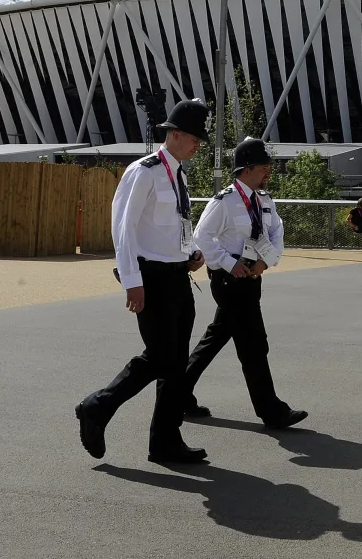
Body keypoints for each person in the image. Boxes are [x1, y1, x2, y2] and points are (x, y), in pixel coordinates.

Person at [75, 99, 210, 464]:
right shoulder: (144, 171)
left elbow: (179, 223)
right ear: (175, 134)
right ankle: (97, 406)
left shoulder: (177, 173)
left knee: (175, 362)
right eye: (195, 138)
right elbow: (124, 229)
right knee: (162, 357)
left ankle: (165, 441)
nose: (199, 144)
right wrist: (131, 281)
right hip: (150, 278)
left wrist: (192, 251)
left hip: (177, 277)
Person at [182, 137, 308, 430]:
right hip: (229, 281)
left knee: (216, 338)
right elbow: (201, 236)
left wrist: (267, 261)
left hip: (252, 278)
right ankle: (272, 411)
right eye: (265, 168)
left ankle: (178, 393)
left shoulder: (264, 200)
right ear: (247, 168)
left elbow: (277, 231)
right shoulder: (224, 201)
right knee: (254, 344)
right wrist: (229, 263)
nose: (269, 173)